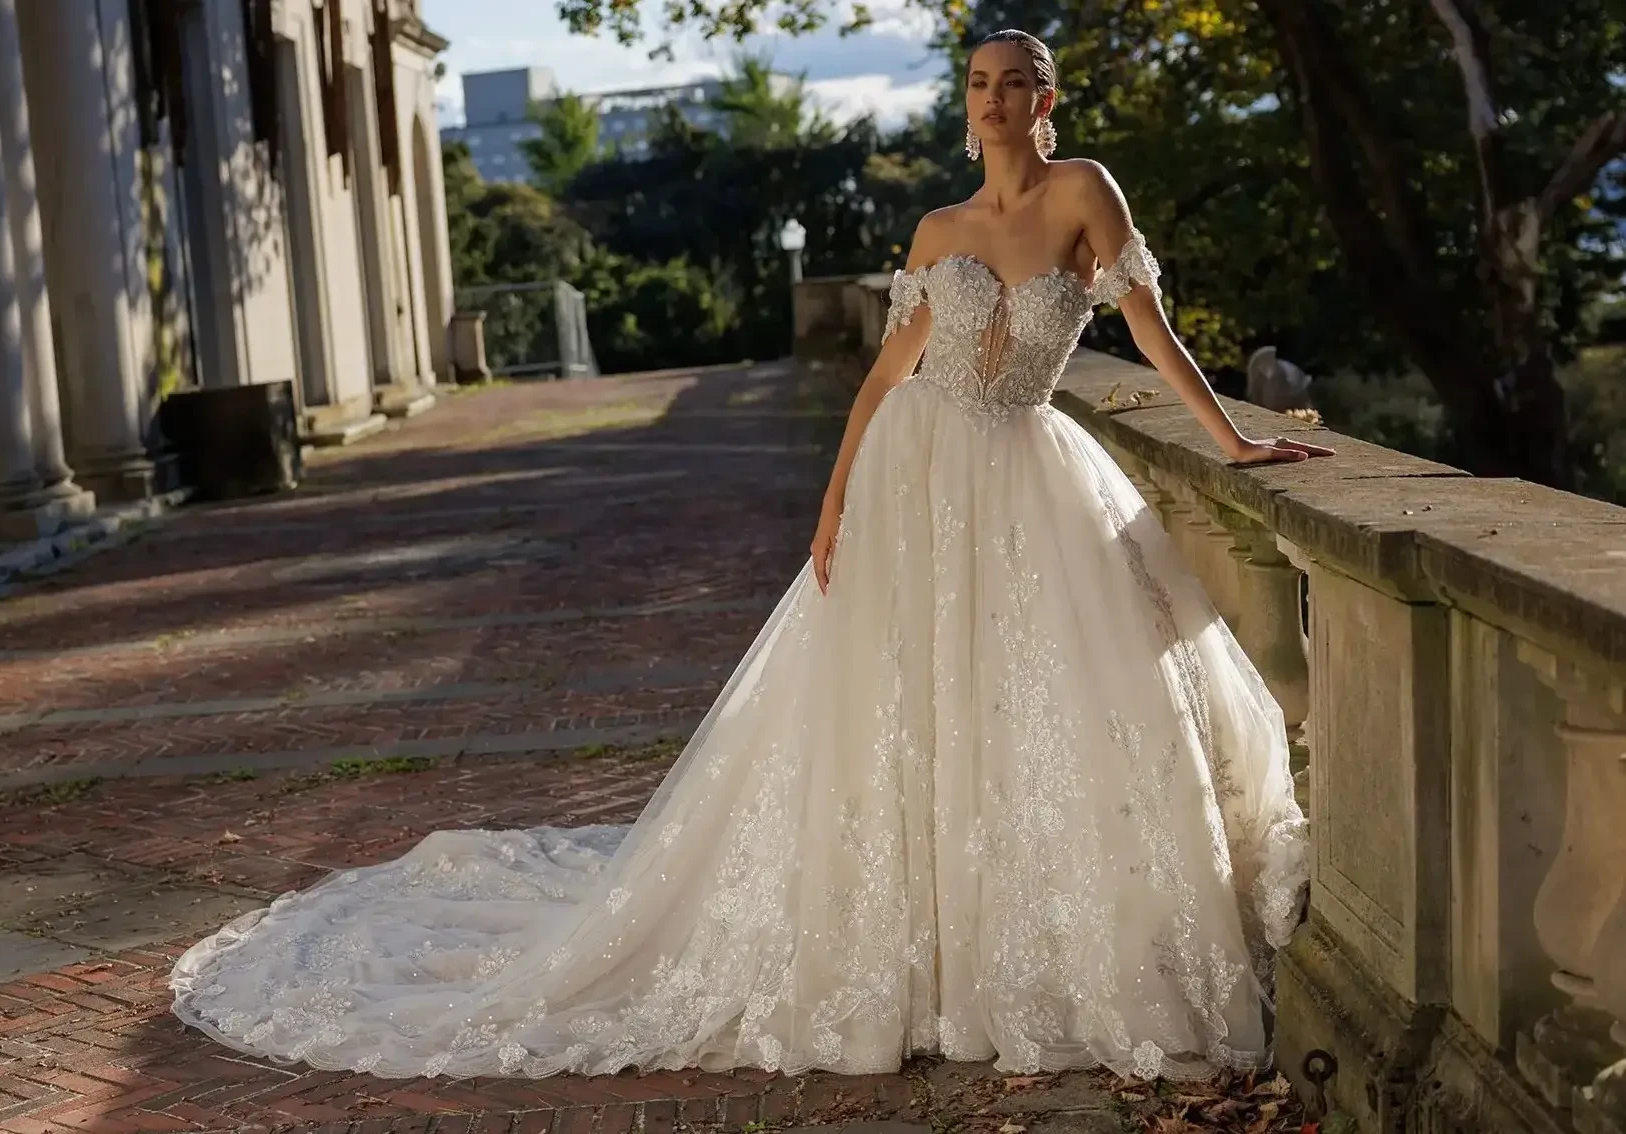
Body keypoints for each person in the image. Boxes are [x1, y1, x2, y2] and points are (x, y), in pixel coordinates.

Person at [171, 29, 1328, 1084]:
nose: (993, 100)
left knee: (1030, 697)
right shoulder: (937, 231)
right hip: (913, 477)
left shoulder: (1084, 193)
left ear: (1047, 101)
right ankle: (921, 937)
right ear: (965, 101)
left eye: (1014, 83)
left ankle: (1014, 936)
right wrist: (832, 507)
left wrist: (1232, 439)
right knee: (905, 706)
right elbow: (884, 378)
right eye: (978, 83)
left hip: (1026, 470)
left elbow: (1148, 329)